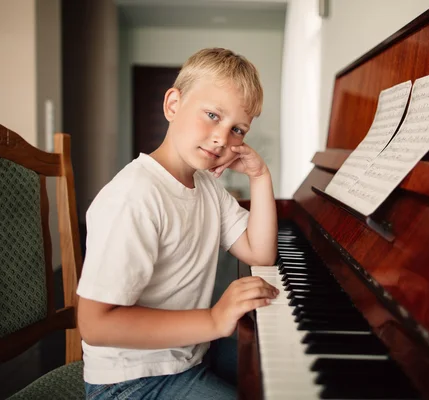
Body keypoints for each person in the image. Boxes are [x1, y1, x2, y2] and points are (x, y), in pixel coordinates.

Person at [76, 48, 279, 399]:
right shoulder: (134, 196)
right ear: (173, 105)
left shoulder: (208, 188)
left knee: (276, 375)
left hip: (189, 354)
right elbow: (95, 324)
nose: (222, 138)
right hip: (131, 382)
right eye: (213, 115)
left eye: (237, 130)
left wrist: (260, 177)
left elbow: (260, 253)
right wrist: (215, 319)